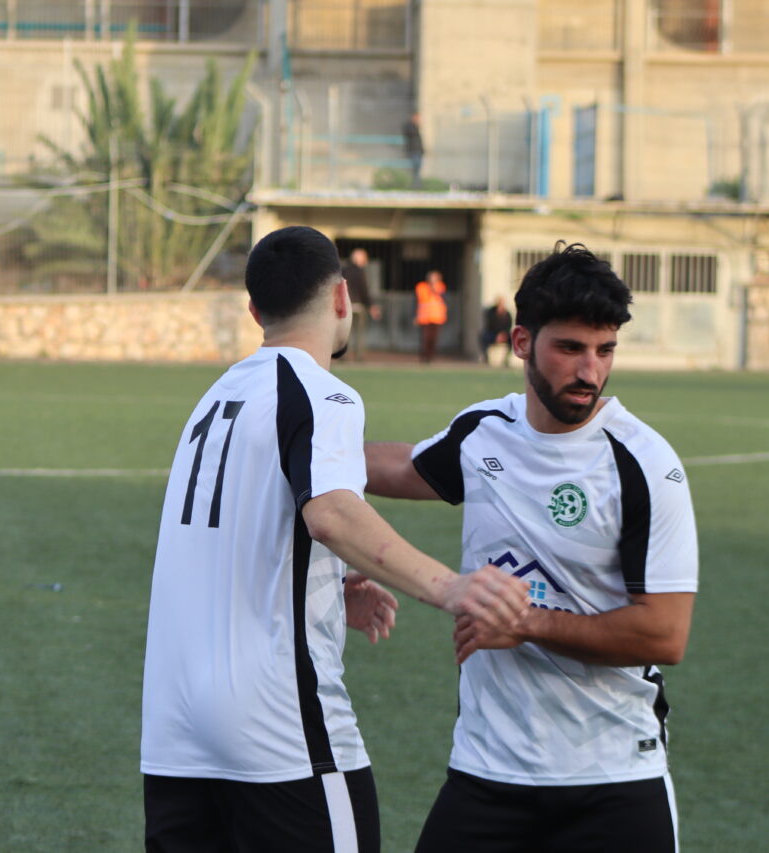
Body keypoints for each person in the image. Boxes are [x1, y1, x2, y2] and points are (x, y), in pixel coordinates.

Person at [141, 224, 529, 852]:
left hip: (174, 726)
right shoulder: (322, 393)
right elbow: (331, 514)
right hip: (274, 726)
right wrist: (451, 588)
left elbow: (237, 532)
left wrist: (324, 584)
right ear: (343, 297)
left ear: (254, 311)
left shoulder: (218, 397)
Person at [364, 243, 699, 853]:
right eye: (570, 348)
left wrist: (524, 623)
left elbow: (665, 635)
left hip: (614, 778)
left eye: (604, 350)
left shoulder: (645, 464)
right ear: (521, 342)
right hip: (488, 772)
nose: (590, 371)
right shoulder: (483, 431)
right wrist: (302, 446)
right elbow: (401, 468)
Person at [340, 248, 381, 362]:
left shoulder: (343, 270)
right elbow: (364, 290)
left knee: (346, 333)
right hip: (358, 306)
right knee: (359, 333)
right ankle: (359, 356)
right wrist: (371, 306)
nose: (365, 261)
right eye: (364, 258)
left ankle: (344, 356)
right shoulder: (360, 272)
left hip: (346, 306)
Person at [414, 270, 447, 363]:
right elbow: (418, 301)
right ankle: (424, 356)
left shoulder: (441, 287)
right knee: (425, 338)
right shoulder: (421, 287)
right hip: (424, 318)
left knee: (434, 338)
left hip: (437, 318)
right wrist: (415, 315)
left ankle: (431, 357)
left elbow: (443, 298)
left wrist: (434, 288)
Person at [478, 295, 512, 366]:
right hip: (493, 333)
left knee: (512, 339)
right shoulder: (491, 312)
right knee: (483, 337)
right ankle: (485, 357)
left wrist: (503, 334)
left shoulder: (507, 313)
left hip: (504, 334)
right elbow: (490, 324)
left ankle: (506, 359)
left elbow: (509, 325)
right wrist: (497, 335)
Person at [402, 112, 424, 189]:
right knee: (415, 169)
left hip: (418, 151)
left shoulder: (416, 127)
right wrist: (416, 125)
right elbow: (409, 134)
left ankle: (417, 185)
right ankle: (415, 185)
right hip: (413, 150)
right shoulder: (409, 126)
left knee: (417, 169)